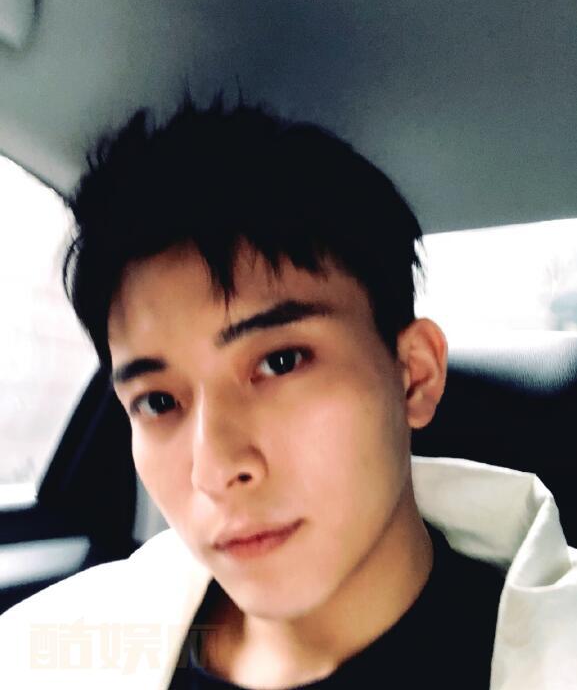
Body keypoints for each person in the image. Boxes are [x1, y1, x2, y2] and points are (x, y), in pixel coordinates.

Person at [1, 96, 576, 690]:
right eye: (158, 402)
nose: (215, 469)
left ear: (414, 375)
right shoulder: (43, 654)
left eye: (280, 362)